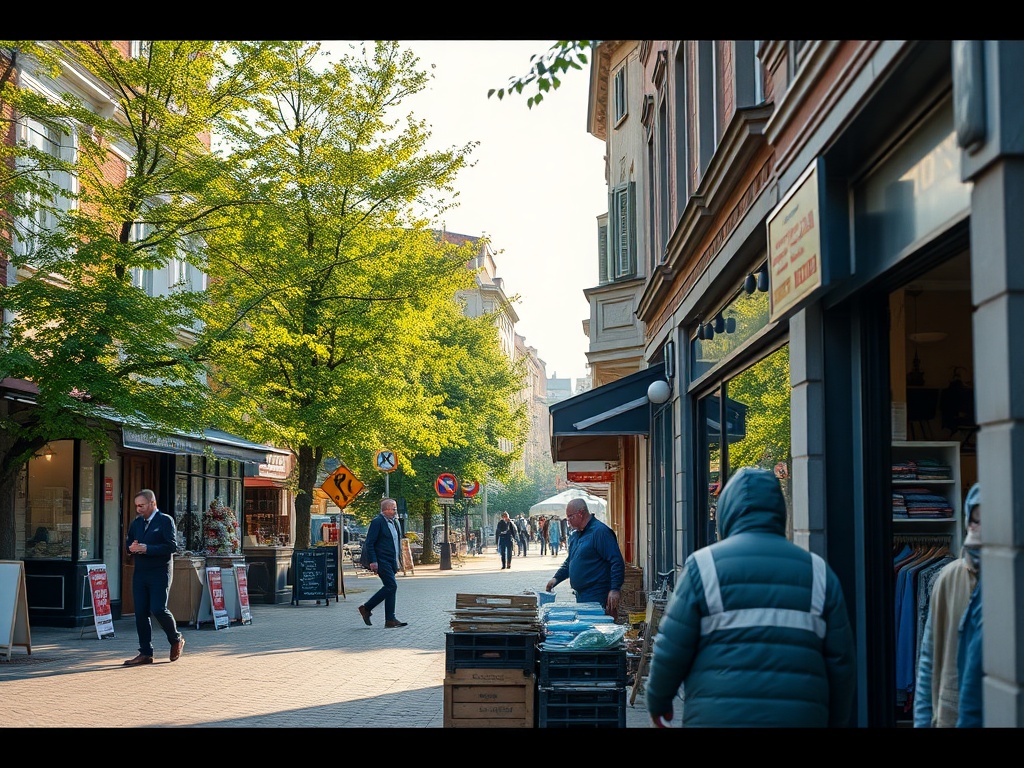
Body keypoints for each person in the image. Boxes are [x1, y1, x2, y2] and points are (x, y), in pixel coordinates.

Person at [644, 467, 856, 728]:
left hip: (718, 717)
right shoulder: (818, 573)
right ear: (780, 512)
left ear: (726, 513)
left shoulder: (704, 567)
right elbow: (841, 662)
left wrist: (658, 702)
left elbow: (672, 647)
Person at [914, 482, 981, 727]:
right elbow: (928, 658)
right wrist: (922, 721)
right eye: (974, 521)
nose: (978, 529)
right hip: (952, 712)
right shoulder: (949, 578)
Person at [123, 489, 185, 666]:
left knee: (158, 608)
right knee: (141, 612)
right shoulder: (136, 523)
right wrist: (132, 547)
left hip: (160, 571)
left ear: (152, 503)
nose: (138, 509)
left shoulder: (165, 520)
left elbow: (171, 546)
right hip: (140, 572)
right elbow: (129, 544)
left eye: (141, 505)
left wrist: (147, 548)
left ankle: (175, 639)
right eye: (136, 506)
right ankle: (145, 653)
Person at [544, 498, 624, 616]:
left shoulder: (600, 532)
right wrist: (556, 579)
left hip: (597, 594)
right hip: (582, 595)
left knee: (596, 630)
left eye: (570, 517)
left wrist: (614, 589)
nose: (569, 521)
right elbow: (571, 561)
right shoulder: (576, 535)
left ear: (581, 513)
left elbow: (616, 561)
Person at [357, 498, 407, 628]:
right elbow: (370, 543)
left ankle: (390, 619)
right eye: (393, 508)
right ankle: (367, 607)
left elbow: (396, 542)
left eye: (395, 508)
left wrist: (399, 560)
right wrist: (373, 561)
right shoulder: (377, 522)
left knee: (391, 588)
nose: (396, 511)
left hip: (391, 560)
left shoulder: (395, 522)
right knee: (391, 586)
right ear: (386, 509)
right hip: (381, 560)